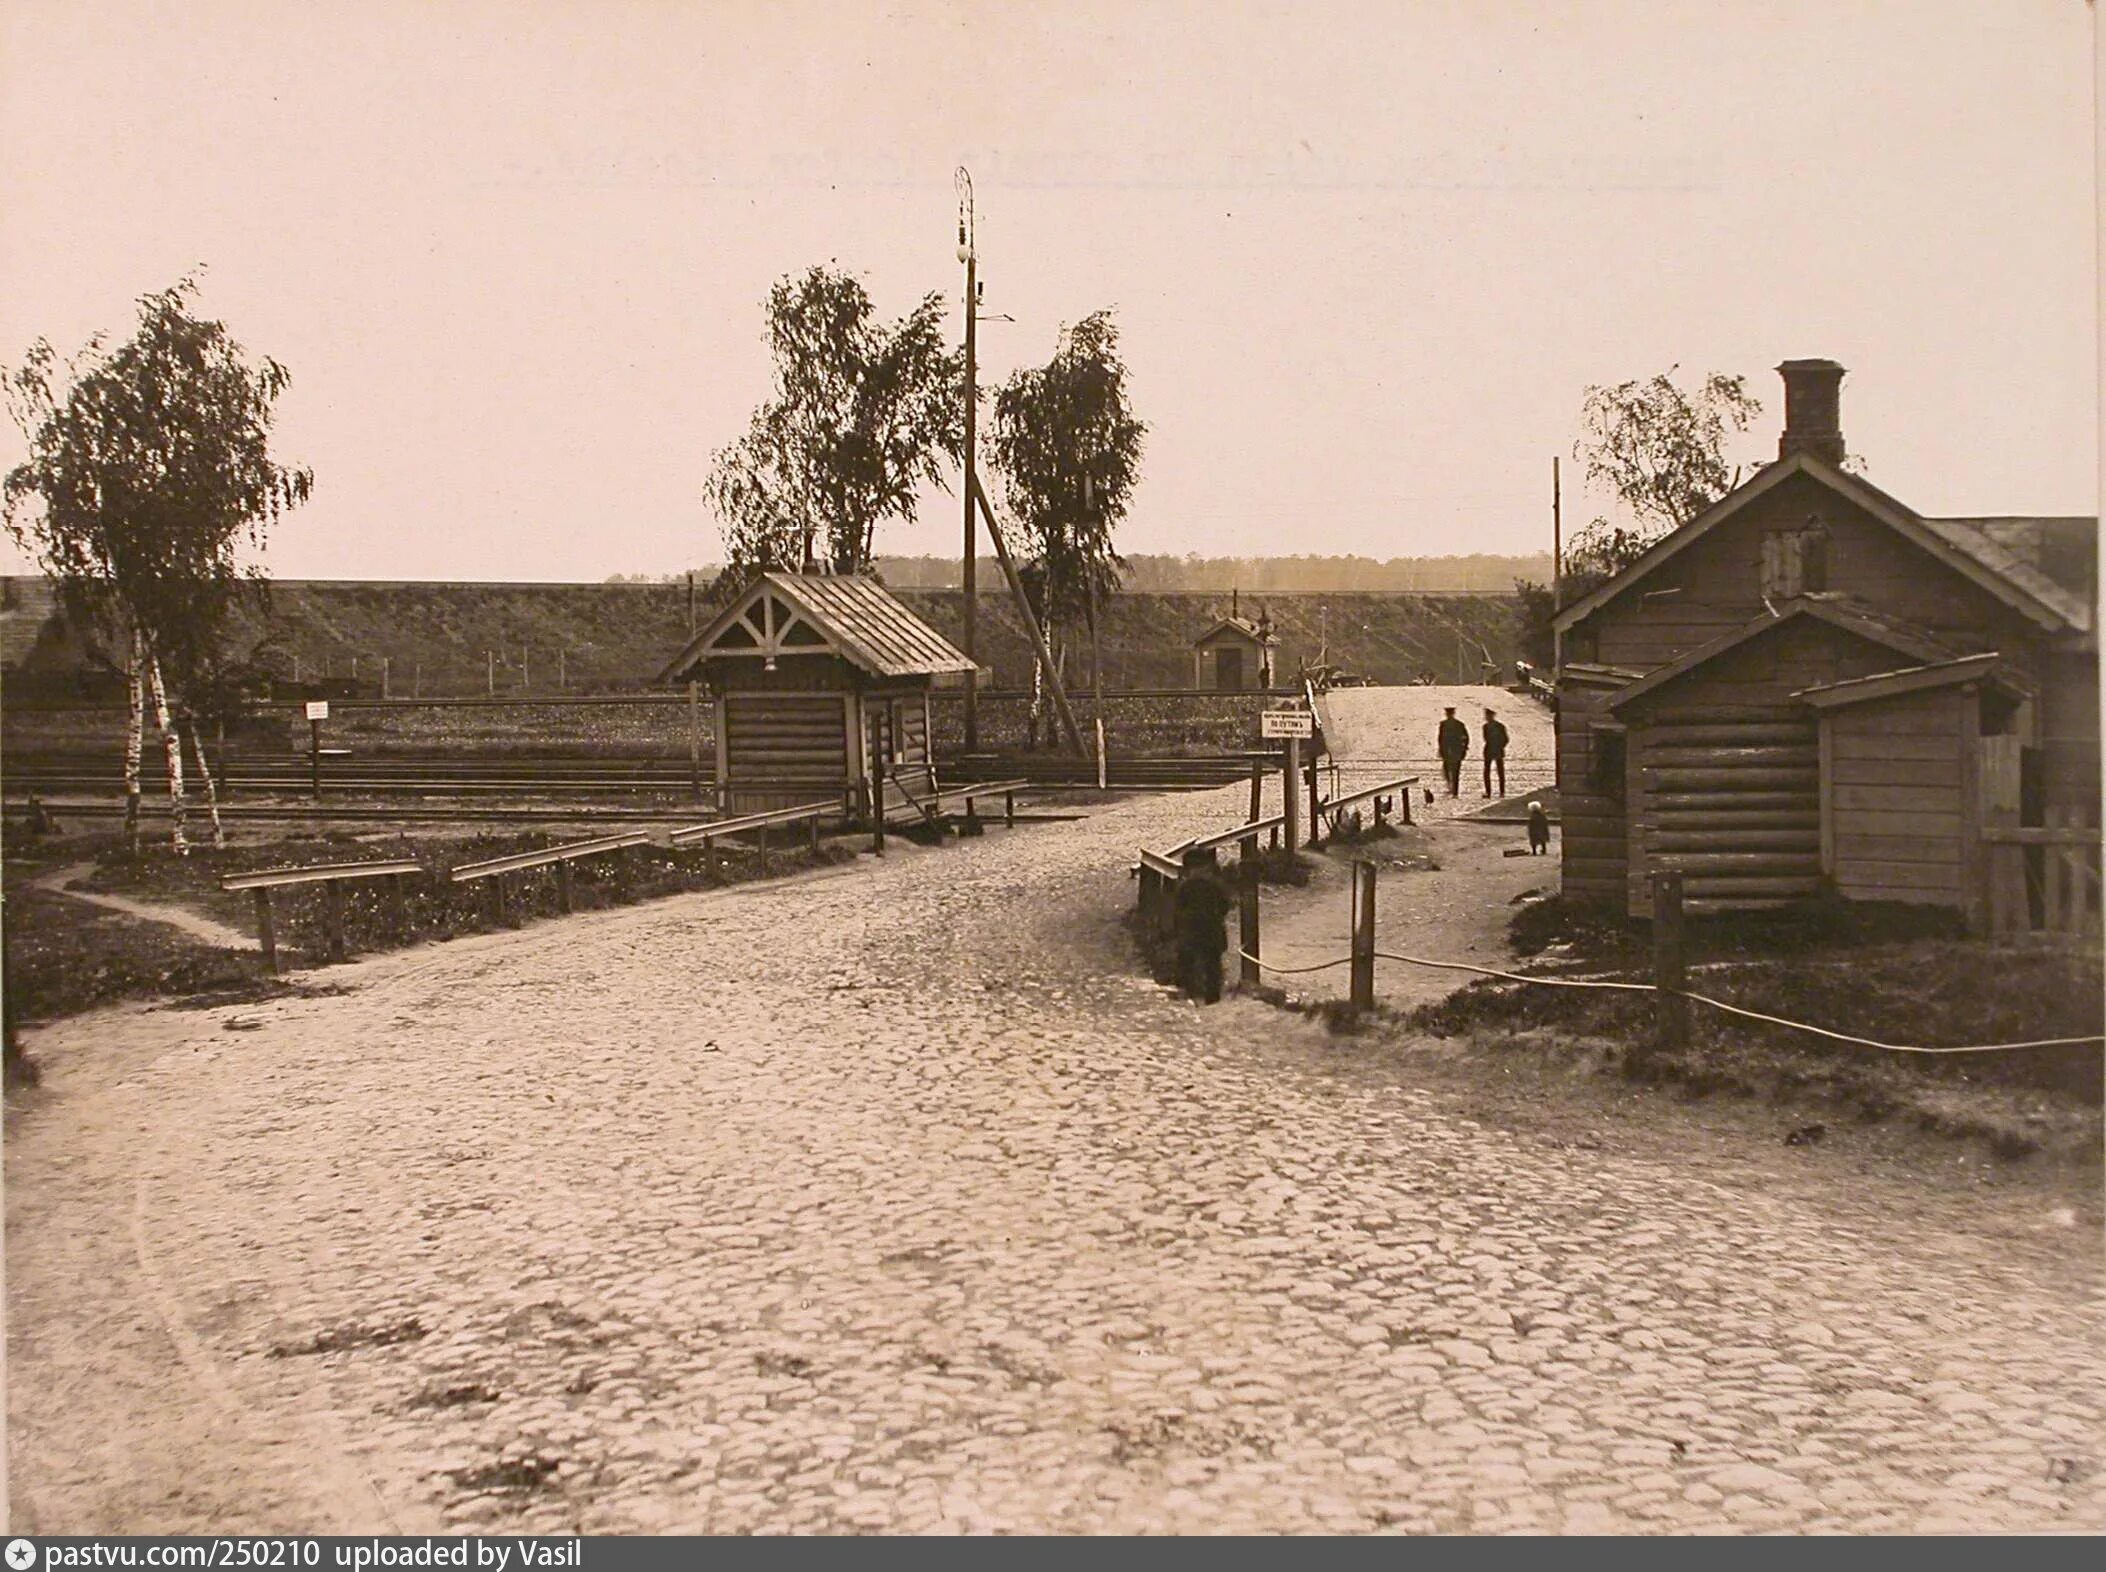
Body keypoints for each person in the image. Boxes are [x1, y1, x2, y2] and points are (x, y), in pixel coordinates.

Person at [1172, 846, 1232, 1004]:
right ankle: (1212, 998)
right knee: (1212, 965)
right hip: (1212, 929)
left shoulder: (1185, 887)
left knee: (1187, 963)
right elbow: (1225, 905)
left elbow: (1178, 908)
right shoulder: (1215, 885)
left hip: (1191, 931)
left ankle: (1188, 995)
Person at [1436, 706, 1469, 796]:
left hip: (1455, 750)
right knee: (1447, 769)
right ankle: (1451, 787)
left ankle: (1455, 791)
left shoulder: (1459, 724)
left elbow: (1466, 737)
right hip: (1448, 750)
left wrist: (1464, 748)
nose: (1449, 715)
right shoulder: (1444, 724)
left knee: (1455, 771)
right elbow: (1440, 738)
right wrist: (1440, 748)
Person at [1481, 706, 1510, 798]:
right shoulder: (1486, 726)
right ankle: (1489, 792)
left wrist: (1500, 746)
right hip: (1492, 750)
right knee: (1488, 772)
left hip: (1494, 750)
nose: (1487, 717)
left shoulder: (1498, 726)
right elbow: (1486, 739)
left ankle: (1501, 791)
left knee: (1499, 771)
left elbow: (1505, 739)